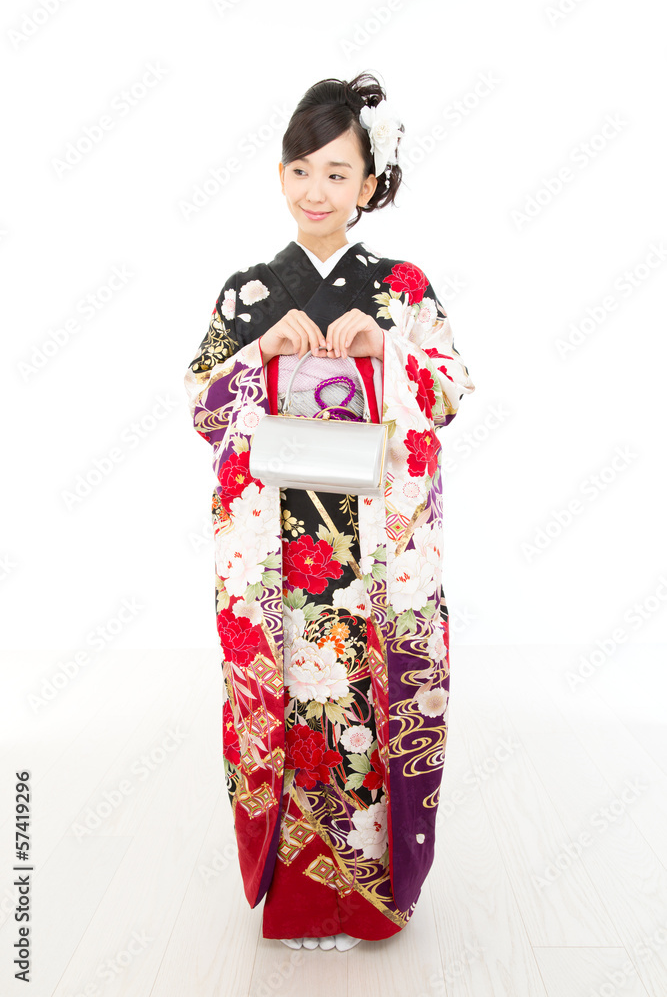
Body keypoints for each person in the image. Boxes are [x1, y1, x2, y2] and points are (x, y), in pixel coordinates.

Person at [184, 71, 475, 952]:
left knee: (370, 714)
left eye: (337, 173)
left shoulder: (402, 288)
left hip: (374, 564)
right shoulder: (247, 292)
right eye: (300, 169)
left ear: (369, 185)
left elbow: (452, 390)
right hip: (275, 559)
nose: (317, 190)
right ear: (280, 177)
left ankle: (375, 900)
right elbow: (203, 408)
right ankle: (298, 902)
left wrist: (385, 347)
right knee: (294, 717)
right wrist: (260, 352)